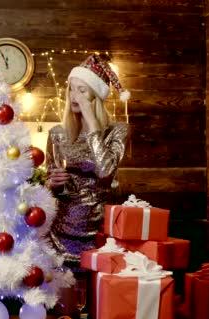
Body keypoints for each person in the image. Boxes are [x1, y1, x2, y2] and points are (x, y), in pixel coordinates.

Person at [46, 54, 130, 270]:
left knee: (100, 299)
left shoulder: (117, 131)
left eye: (82, 90)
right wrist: (54, 185)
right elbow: (52, 188)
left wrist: (92, 124)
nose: (75, 96)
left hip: (101, 235)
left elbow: (105, 172)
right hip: (62, 234)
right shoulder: (58, 134)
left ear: (96, 96)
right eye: (72, 89)